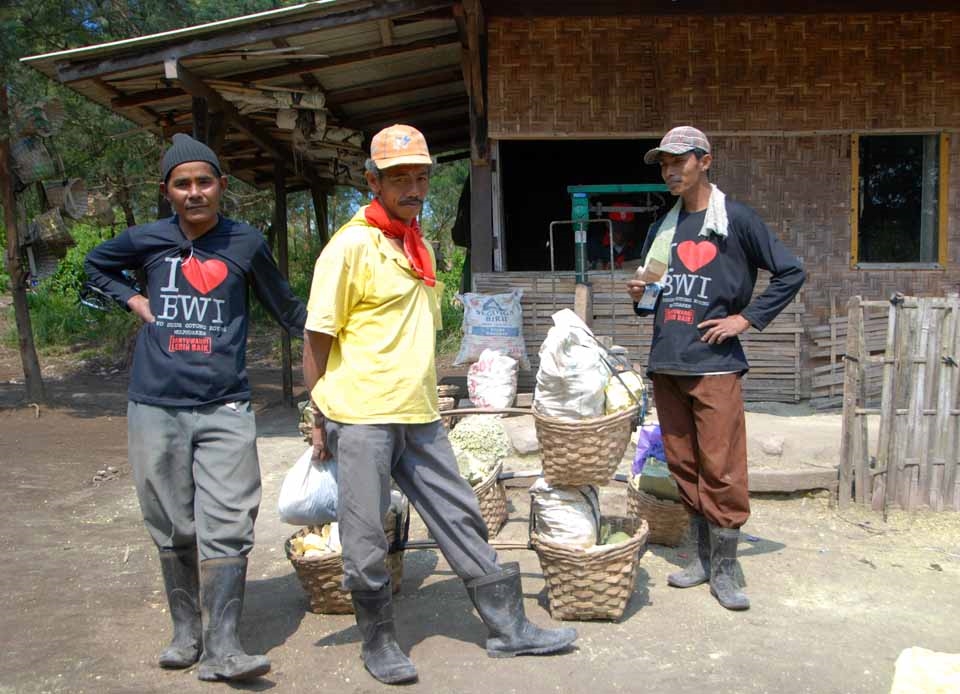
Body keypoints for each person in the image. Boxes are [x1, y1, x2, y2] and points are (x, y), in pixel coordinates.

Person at [302, 124, 577, 685]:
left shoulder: (416, 242)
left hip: (421, 413)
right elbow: (317, 338)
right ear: (373, 180)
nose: (413, 187)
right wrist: (318, 411)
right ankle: (378, 645)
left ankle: (509, 628)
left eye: (421, 176)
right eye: (399, 177)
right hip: (362, 414)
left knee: (461, 514)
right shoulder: (351, 246)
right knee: (364, 533)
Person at [84, 134, 307, 681]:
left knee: (231, 517)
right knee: (170, 519)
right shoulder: (147, 239)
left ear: (221, 187)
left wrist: (338, 344)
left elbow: (288, 310)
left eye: (203, 181)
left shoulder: (246, 243)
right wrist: (134, 298)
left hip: (224, 405)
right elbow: (94, 266)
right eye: (182, 184)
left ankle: (224, 646)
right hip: (154, 403)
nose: (194, 192)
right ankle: (186, 633)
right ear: (168, 191)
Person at [626, 126, 805, 611]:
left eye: (678, 162)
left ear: (705, 161)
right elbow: (656, 295)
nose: (669, 172)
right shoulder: (662, 229)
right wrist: (641, 296)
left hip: (715, 366)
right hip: (668, 361)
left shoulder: (737, 220)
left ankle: (725, 572)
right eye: (663, 164)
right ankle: (702, 559)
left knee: (722, 468)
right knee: (684, 465)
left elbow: (792, 271)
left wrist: (746, 319)